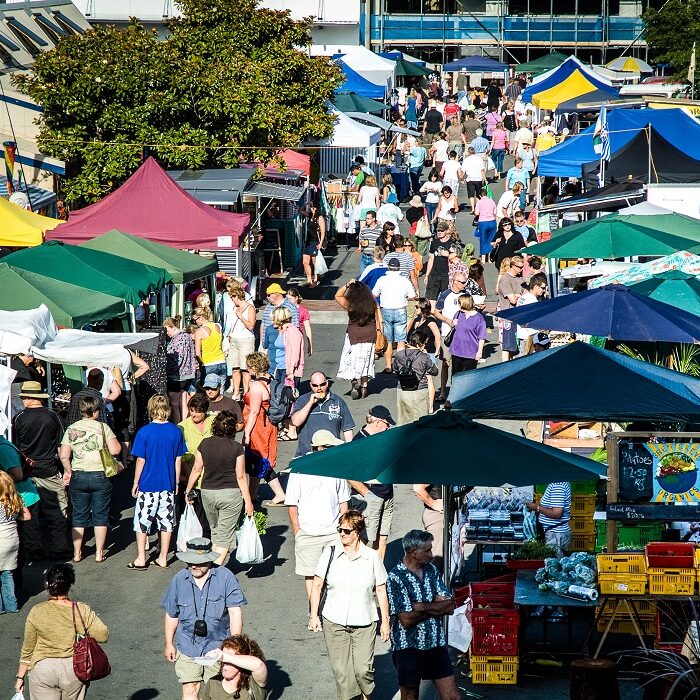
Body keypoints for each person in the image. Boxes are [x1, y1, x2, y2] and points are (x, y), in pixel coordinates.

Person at [309, 511, 390, 700]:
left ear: (357, 532)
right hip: (334, 621)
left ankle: (366, 695)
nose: (342, 534)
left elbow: (380, 590)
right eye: (339, 529)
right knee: (342, 673)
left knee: (363, 670)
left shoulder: (371, 557)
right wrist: (314, 615)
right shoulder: (330, 553)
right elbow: (317, 584)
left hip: (364, 621)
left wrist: (385, 621)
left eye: (346, 530)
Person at [161, 538, 247, 700]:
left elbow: (235, 613)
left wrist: (234, 648)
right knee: (190, 688)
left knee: (216, 692)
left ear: (209, 560)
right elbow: (172, 614)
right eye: (190, 562)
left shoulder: (225, 577)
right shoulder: (179, 579)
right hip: (187, 646)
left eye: (199, 563)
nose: (193, 566)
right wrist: (168, 644)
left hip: (217, 647)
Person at [15, 563, 109, 699]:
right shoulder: (81, 609)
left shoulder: (37, 611)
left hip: (43, 670)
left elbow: (28, 648)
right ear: (70, 585)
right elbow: (103, 635)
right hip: (74, 669)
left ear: (47, 584)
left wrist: (20, 677)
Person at [386, 530, 459, 700]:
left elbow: (449, 606)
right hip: (408, 648)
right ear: (413, 552)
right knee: (410, 696)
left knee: (452, 696)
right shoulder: (396, 577)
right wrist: (435, 607)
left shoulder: (431, 570)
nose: (432, 554)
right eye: (427, 551)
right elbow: (406, 620)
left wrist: (419, 606)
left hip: (435, 644)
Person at [285, 429, 350, 607]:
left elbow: (343, 501)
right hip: (307, 532)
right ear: (319, 448)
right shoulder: (299, 467)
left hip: (333, 532)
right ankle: (314, 612)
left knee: (335, 574)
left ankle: (331, 610)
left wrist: (343, 529)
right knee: (311, 575)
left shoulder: (337, 468)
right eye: (329, 447)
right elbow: (292, 503)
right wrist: (297, 530)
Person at [59, 395, 122, 564]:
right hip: (100, 474)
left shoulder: (71, 428)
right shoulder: (103, 427)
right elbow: (116, 450)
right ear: (95, 412)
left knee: (79, 515)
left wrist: (69, 471)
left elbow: (64, 455)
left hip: (79, 474)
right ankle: (99, 553)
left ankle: (77, 553)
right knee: (101, 515)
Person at [185, 412, 253, 566]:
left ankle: (209, 565)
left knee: (215, 531)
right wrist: (248, 501)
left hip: (208, 493)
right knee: (224, 535)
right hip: (230, 495)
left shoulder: (204, 444)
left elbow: (196, 470)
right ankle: (213, 570)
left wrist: (188, 490)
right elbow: (241, 476)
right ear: (232, 429)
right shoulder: (236, 448)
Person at [12, 381, 69, 560]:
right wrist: (67, 470)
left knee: (30, 514)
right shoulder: (53, 416)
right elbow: (61, 448)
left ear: (29, 398)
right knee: (57, 512)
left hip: (26, 474)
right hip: (49, 471)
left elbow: (16, 448)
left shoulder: (19, 418)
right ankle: (59, 548)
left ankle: (34, 549)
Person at [129, 394, 186, 570]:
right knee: (166, 521)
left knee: (143, 521)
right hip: (167, 483)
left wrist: (135, 482)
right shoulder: (176, 431)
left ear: (150, 409)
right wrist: (176, 483)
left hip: (148, 483)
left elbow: (141, 460)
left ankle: (141, 558)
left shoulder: (144, 432)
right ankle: (163, 557)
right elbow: (178, 460)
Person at [347, 406, 396, 560]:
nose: (388, 427)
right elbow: (349, 474)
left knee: (382, 537)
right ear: (377, 422)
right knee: (364, 538)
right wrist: (367, 494)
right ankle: (356, 574)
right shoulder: (359, 442)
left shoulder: (383, 438)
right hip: (371, 498)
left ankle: (378, 578)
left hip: (387, 495)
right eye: (386, 423)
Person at [242, 353, 286, 508]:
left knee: (260, 460)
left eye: (248, 367)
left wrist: (247, 433)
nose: (247, 370)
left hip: (258, 427)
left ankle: (279, 493)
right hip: (269, 425)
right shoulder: (270, 379)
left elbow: (254, 412)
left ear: (254, 368)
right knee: (256, 460)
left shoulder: (255, 387)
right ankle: (252, 494)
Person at [290, 372, 355, 459]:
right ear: (310, 385)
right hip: (306, 455)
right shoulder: (303, 400)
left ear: (327, 383)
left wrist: (350, 452)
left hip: (331, 455)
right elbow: (296, 422)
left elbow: (347, 429)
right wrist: (310, 403)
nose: (319, 388)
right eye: (315, 385)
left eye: (322, 384)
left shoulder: (338, 402)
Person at [335, 279, 380, 400]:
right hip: (369, 333)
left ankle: (354, 382)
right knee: (366, 359)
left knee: (352, 358)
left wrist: (347, 284)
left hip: (353, 334)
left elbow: (337, 295)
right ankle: (364, 386)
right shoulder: (372, 303)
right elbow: (379, 318)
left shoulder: (350, 303)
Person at [373, 258, 417, 373]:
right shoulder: (404, 280)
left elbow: (374, 293)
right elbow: (412, 295)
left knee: (388, 340)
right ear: (398, 268)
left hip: (386, 310)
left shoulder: (382, 279)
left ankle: (388, 366)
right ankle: (400, 366)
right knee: (401, 339)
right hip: (400, 310)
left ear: (389, 267)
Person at [433, 273, 468, 402]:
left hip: (463, 335)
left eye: (465, 282)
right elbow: (436, 312)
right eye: (462, 282)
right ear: (454, 282)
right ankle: (443, 391)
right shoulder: (445, 294)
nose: (464, 285)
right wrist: (447, 320)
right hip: (447, 334)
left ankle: (456, 391)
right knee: (445, 363)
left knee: (459, 363)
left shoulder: (466, 295)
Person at [199, 635, 268, 700]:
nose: (224, 663)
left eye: (229, 660)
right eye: (221, 660)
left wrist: (225, 657)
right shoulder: (213, 682)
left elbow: (259, 665)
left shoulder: (253, 684)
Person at [392, 329, 438, 424]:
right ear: (419, 344)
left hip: (402, 390)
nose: (425, 345)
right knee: (420, 423)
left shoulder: (399, 354)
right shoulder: (424, 357)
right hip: (419, 391)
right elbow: (434, 371)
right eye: (424, 343)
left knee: (403, 421)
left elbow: (395, 368)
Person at [0, 471, 29, 613]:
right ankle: (12, 606)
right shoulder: (15, 499)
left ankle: (1, 607)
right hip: (12, 540)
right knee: (7, 573)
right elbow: (27, 516)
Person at [223, 284, 256, 401]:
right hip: (234, 340)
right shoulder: (234, 308)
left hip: (245, 340)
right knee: (235, 367)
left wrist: (241, 317)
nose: (232, 300)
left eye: (232, 297)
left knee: (245, 369)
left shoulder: (250, 308)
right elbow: (231, 324)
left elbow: (251, 326)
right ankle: (236, 392)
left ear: (237, 296)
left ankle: (246, 392)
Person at [165, 316, 198, 424]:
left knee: (174, 403)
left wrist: (166, 368)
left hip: (177, 375)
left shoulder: (179, 339)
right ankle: (183, 423)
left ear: (173, 327)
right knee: (182, 400)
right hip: (188, 373)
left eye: (167, 330)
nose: (167, 333)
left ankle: (176, 424)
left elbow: (178, 359)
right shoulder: (187, 336)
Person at [527, 482, 572, 558]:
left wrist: (537, 508)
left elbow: (557, 513)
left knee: (553, 565)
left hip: (556, 534)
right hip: (554, 533)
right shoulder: (556, 483)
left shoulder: (558, 485)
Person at [496, 255, 525, 361]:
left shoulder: (519, 278)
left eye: (522, 267)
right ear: (513, 266)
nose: (521, 270)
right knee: (507, 345)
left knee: (514, 346)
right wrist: (518, 295)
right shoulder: (505, 279)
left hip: (517, 315)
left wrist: (518, 295)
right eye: (520, 267)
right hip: (508, 316)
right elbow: (513, 300)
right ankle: (504, 366)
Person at [449, 294, 487, 374]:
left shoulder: (478, 318)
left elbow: (482, 337)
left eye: (459, 303)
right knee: (455, 376)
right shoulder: (458, 314)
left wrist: (479, 352)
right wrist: (453, 323)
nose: (458, 305)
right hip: (457, 351)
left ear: (463, 304)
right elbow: (454, 327)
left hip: (471, 352)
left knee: (469, 377)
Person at [260, 283, 299, 356]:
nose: (267, 297)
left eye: (269, 295)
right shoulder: (268, 307)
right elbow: (263, 324)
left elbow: (295, 327)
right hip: (268, 346)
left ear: (275, 294)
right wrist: (262, 343)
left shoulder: (290, 307)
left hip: (283, 348)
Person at [272, 306, 304, 392]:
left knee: (287, 398)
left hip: (289, 370)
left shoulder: (293, 331)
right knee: (278, 396)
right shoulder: (282, 331)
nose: (272, 320)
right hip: (280, 367)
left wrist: (291, 372)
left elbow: (295, 353)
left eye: (274, 318)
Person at [193, 307, 227, 386]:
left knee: (208, 392)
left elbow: (197, 353)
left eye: (195, 320)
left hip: (208, 363)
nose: (195, 322)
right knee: (220, 390)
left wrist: (201, 364)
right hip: (221, 361)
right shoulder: (218, 326)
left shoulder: (199, 331)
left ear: (201, 317)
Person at [516, 273, 548, 354]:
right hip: (529, 335)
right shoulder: (532, 300)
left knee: (523, 357)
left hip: (522, 333)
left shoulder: (522, 297)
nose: (544, 290)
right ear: (536, 287)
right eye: (543, 288)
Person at [424, 222, 452, 305]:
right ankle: (432, 315)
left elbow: (456, 258)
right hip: (434, 274)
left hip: (446, 275)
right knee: (431, 298)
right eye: (438, 231)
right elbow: (431, 259)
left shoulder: (451, 243)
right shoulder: (434, 243)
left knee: (446, 298)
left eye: (442, 231)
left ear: (446, 231)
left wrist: (447, 254)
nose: (439, 232)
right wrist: (427, 275)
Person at [301, 201, 326, 287]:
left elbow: (323, 232)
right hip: (308, 241)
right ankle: (309, 280)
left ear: (317, 208)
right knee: (305, 262)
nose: (312, 209)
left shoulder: (320, 218)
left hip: (315, 241)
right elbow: (300, 210)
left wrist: (321, 243)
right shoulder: (310, 216)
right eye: (311, 207)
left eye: (314, 207)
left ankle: (315, 279)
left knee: (315, 262)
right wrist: (306, 203)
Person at [287, 287, 313, 357]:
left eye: (290, 299)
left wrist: (310, 344)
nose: (288, 301)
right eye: (287, 299)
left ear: (296, 298)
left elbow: (307, 328)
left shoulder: (303, 310)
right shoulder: (285, 308)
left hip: (297, 338)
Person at [474, 187, 498, 264]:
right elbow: (495, 212)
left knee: (483, 240)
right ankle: (490, 257)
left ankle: (483, 258)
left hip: (483, 222)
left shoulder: (479, 202)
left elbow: (477, 213)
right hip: (492, 221)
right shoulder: (492, 201)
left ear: (480, 195)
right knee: (491, 239)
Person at [357, 210, 383, 276]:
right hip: (365, 256)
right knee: (363, 276)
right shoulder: (364, 229)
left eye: (368, 218)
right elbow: (361, 239)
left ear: (373, 219)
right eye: (366, 218)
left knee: (373, 275)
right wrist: (361, 242)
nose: (366, 220)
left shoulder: (380, 230)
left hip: (374, 257)